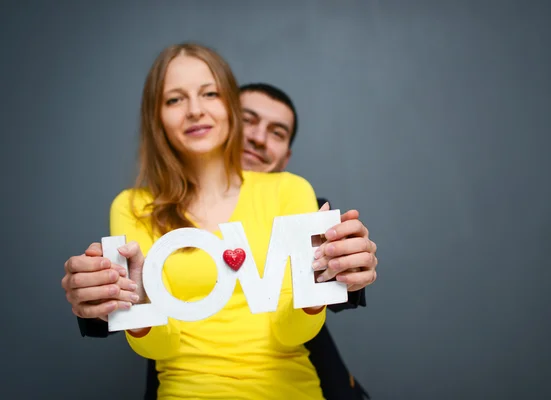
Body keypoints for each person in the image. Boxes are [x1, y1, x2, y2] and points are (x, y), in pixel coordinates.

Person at [63, 43, 377, 399]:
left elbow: (298, 324)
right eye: (174, 100)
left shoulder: (293, 194)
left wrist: (327, 279)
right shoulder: (134, 207)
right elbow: (153, 337)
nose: (195, 111)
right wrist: (115, 299)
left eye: (209, 94)